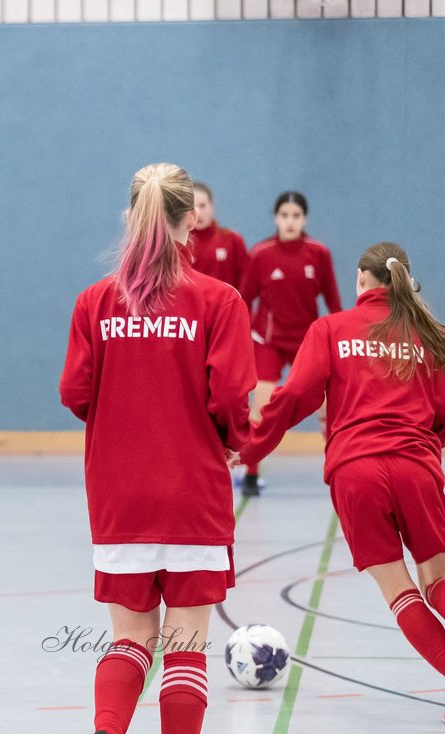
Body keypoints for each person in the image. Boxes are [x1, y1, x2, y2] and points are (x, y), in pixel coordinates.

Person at [60, 163, 255, 734]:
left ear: (131, 217)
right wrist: (234, 441)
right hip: (192, 491)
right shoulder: (218, 300)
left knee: (133, 639)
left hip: (118, 497)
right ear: (190, 219)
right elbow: (232, 397)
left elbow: (75, 392)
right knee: (186, 648)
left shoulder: (94, 302)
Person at [237, 242, 445, 697]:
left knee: (400, 592)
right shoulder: (430, 336)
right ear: (404, 282)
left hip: (355, 473)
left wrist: (252, 450)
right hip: (417, 467)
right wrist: (429, 444)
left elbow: (293, 397)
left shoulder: (331, 328)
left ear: (360, 280)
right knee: (438, 582)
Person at [238, 191, 341, 495]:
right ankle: (251, 473)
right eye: (285, 215)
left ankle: (336, 465)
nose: (290, 221)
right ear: (276, 218)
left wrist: (344, 333)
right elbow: (243, 299)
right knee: (262, 407)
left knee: (325, 406)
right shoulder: (261, 253)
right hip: (269, 341)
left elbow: (332, 299)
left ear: (304, 219)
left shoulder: (318, 253)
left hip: (306, 341)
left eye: (296, 216)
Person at [187, 182, 249, 289]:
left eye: (202, 206)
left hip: (227, 305)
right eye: (192, 208)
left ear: (211, 206)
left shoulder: (232, 239)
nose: (199, 213)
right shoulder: (179, 244)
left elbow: (245, 284)